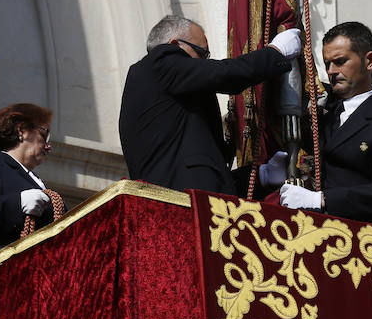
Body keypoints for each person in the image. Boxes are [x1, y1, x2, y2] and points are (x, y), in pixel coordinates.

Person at [119, 14, 302, 196]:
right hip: (185, 205)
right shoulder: (159, 62)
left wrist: (262, 175)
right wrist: (275, 53)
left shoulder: (162, 97)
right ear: (175, 45)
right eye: (202, 53)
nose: (205, 62)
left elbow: (197, 169)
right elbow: (223, 74)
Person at [279, 21, 372, 227]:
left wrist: (322, 200)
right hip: (305, 232)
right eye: (327, 64)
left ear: (369, 61)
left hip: (360, 240)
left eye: (340, 61)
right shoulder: (319, 112)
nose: (331, 71)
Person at [0, 103, 64, 261]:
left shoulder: (35, 180)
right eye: (44, 135)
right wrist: (17, 204)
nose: (48, 147)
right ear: (21, 130)